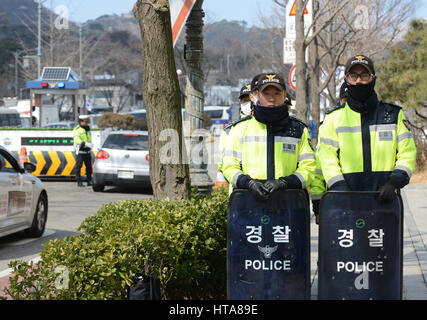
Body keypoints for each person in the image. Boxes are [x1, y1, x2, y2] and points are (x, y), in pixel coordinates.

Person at [317, 55, 416, 203]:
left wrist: (394, 182)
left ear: (373, 78)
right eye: (353, 75)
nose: (358, 81)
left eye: (364, 75)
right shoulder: (333, 119)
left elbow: (407, 153)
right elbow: (327, 159)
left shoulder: (393, 115)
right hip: (345, 201)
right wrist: (339, 187)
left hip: (385, 202)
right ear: (346, 79)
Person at [222, 73, 316, 200]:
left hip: (288, 206)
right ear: (256, 95)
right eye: (266, 93)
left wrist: (285, 183)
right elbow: (229, 166)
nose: (272, 98)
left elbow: (309, 168)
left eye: (277, 93)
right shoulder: (239, 130)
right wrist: (249, 183)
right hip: (248, 205)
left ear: (284, 95)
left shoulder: (299, 130)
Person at [73, 115, 93, 187]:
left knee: (89, 167)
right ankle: (79, 181)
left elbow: (89, 138)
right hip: (81, 151)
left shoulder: (88, 129)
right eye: (85, 121)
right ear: (81, 122)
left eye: (87, 121)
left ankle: (89, 180)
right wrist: (83, 143)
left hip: (87, 150)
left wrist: (90, 145)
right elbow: (76, 139)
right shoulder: (77, 129)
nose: (87, 123)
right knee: (79, 167)